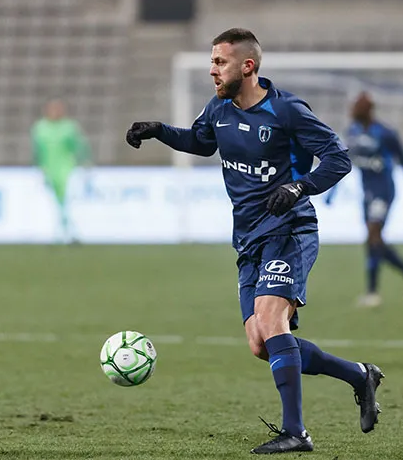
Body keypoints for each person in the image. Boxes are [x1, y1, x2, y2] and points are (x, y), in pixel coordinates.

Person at [125, 28, 383, 455]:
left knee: (270, 320)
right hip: (247, 239)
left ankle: (296, 433)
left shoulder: (286, 110)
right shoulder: (219, 107)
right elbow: (200, 141)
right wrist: (159, 130)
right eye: (211, 62)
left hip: (289, 230)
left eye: (219, 62)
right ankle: (359, 375)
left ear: (247, 66)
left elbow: (338, 158)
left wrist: (299, 188)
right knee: (261, 344)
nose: (212, 70)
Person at [339, 92, 403, 307]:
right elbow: (342, 161)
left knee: (373, 234)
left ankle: (373, 293)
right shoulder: (351, 132)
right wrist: (332, 191)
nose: (351, 110)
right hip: (367, 193)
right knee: (373, 240)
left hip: (384, 191)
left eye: (356, 106)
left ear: (367, 109)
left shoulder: (386, 133)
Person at [31, 99, 91, 244]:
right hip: (49, 171)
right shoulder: (40, 128)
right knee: (56, 203)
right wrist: (38, 167)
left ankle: (70, 233)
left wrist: (85, 161)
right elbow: (37, 150)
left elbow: (79, 146)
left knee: (69, 202)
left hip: (68, 169)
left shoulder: (69, 127)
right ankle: (62, 233)